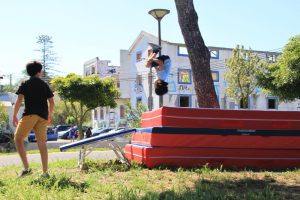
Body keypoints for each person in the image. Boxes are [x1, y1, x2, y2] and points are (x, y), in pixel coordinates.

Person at [13, 61, 54, 177]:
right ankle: (45, 172)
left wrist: (14, 115)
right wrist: (50, 115)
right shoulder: (44, 84)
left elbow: (19, 100)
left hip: (30, 115)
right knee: (42, 142)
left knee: (18, 139)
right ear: (39, 72)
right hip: (43, 117)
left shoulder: (25, 83)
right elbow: (51, 101)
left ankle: (26, 168)